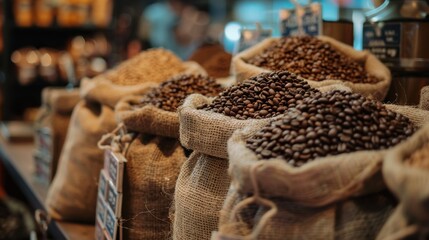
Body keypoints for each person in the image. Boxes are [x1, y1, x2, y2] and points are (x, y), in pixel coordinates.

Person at [139, 0, 210, 59]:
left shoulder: (193, 14)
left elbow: (187, 39)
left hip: (184, 60)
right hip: (155, 57)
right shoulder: (153, 12)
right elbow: (143, 36)